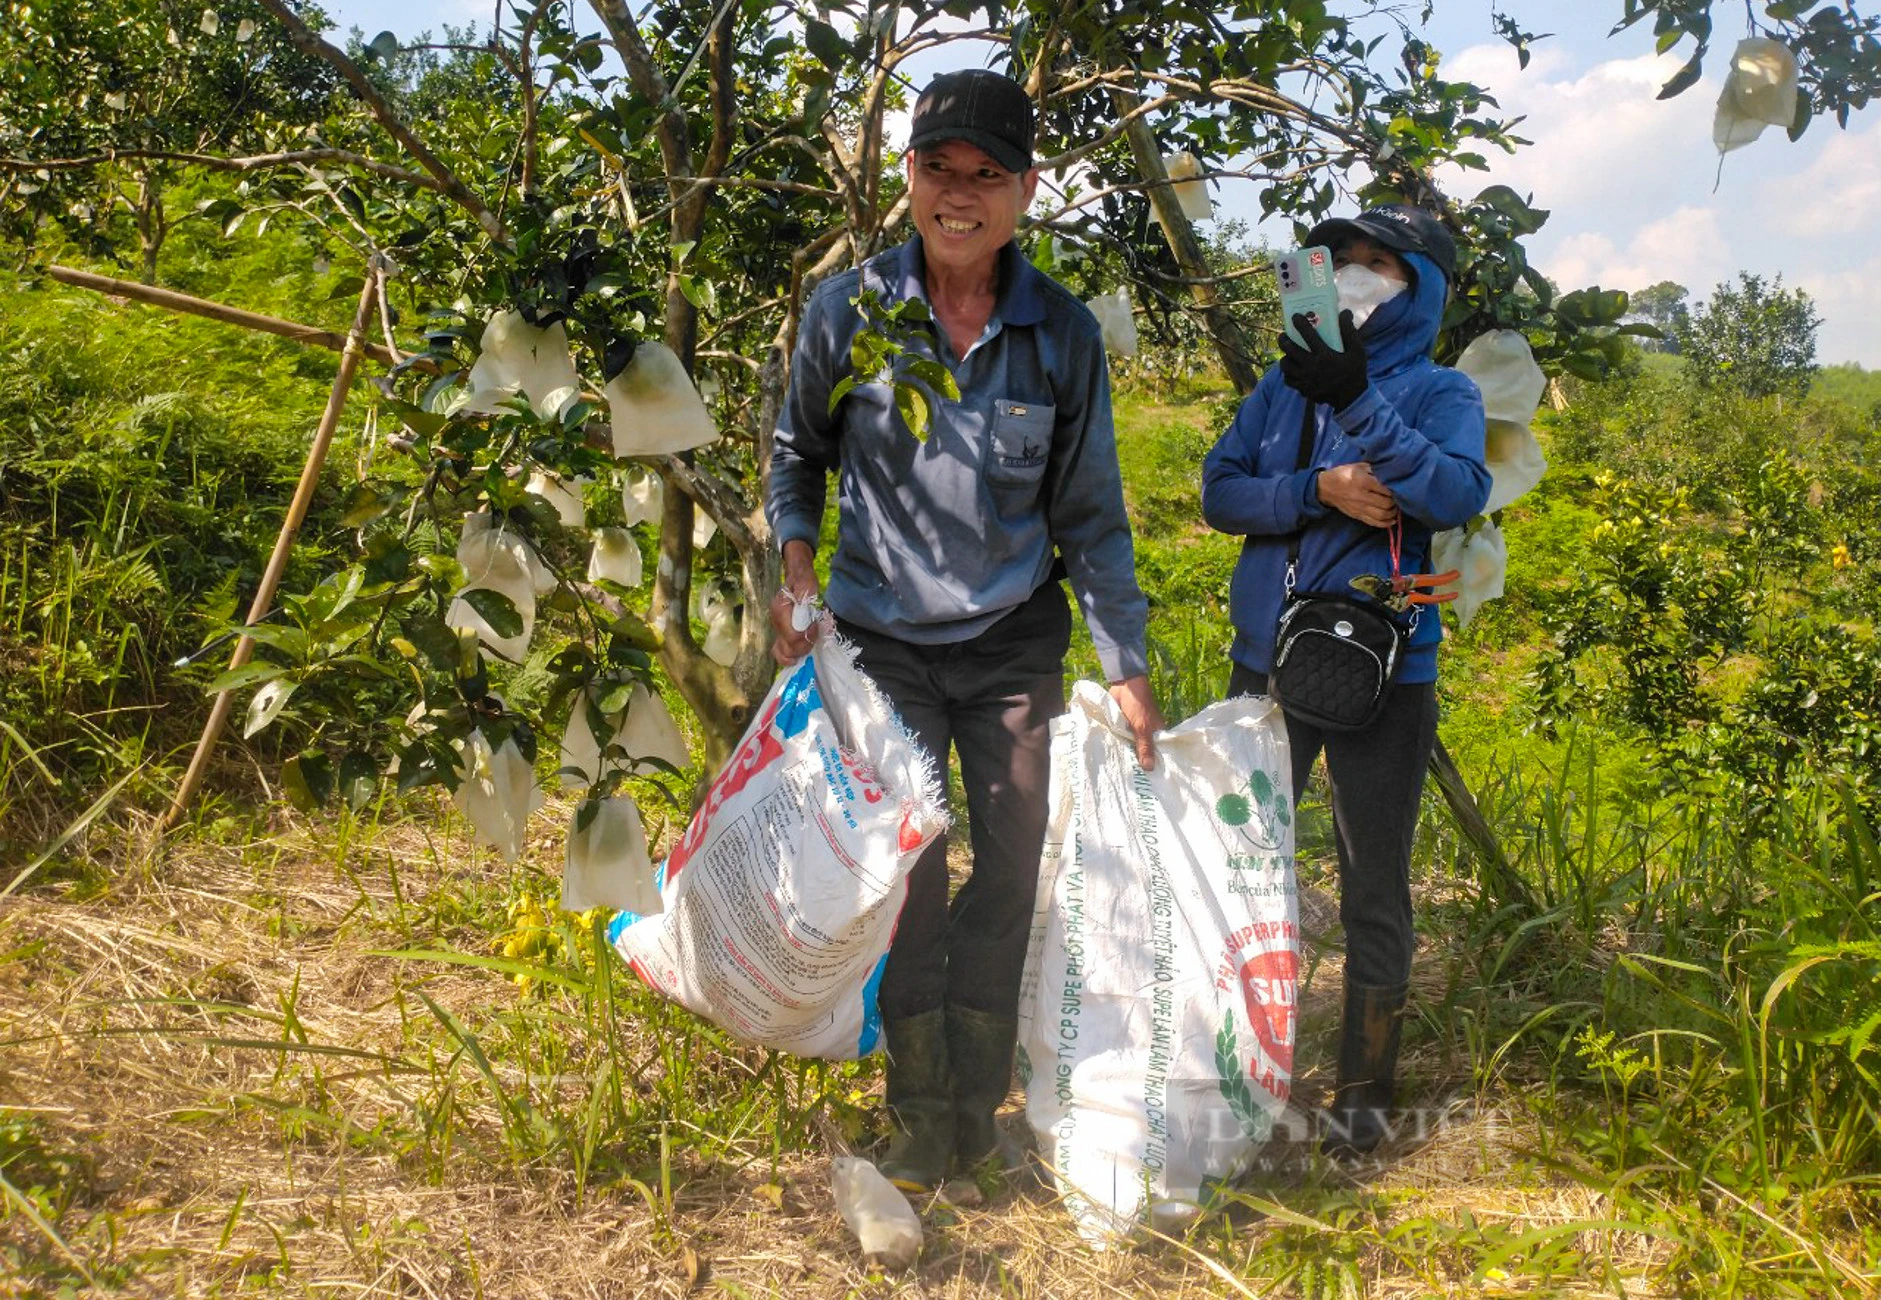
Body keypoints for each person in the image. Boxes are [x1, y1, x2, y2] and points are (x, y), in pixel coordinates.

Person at [766, 68, 1165, 1191]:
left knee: (1011, 867)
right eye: (938, 169)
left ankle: (979, 1116)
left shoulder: (1061, 335)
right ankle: (918, 1113)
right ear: (908, 178)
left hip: (1009, 647)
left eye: (986, 175)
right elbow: (798, 455)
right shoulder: (850, 312)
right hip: (883, 644)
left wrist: (1126, 663)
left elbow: (1089, 513)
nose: (959, 194)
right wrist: (796, 560)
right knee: (917, 880)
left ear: (1026, 191)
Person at [1200, 204, 1489, 1157]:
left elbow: (1453, 492)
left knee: (1374, 879)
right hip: (1271, 662)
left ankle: (1364, 1091)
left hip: (1385, 671)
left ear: (1422, 290)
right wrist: (1311, 490)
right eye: (1345, 262)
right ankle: (1240, 1067)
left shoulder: (1443, 390)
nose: (1357, 277)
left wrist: (1359, 402)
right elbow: (1218, 490)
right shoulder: (1282, 391)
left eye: (1383, 266)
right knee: (1243, 868)